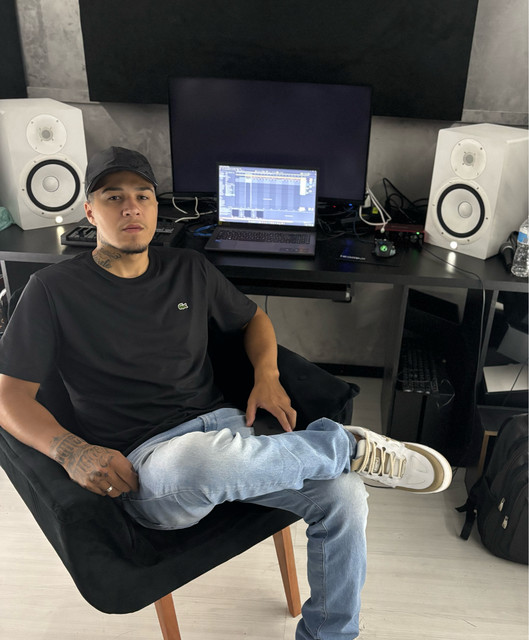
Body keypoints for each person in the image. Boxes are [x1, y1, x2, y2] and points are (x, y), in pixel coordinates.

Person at [0, 147, 452, 640]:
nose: (131, 208)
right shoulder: (52, 289)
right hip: (151, 463)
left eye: (143, 196)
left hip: (231, 432)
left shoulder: (188, 268)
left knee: (345, 495)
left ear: (155, 207)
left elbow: (254, 318)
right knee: (203, 462)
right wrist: (72, 451)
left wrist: (267, 375)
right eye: (114, 197)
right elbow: (9, 396)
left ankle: (329, 634)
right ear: (90, 211)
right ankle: (347, 446)